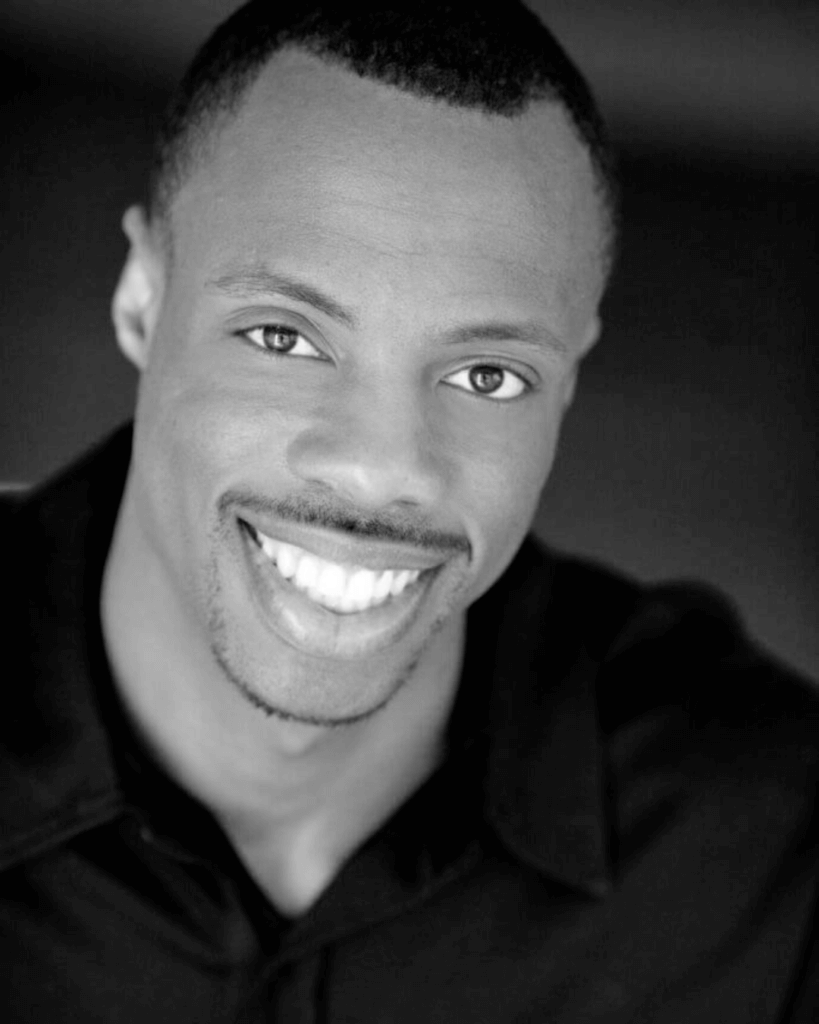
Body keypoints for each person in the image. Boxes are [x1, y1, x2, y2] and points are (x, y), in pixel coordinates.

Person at [1, 1, 817, 1020]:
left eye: (486, 375)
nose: (380, 468)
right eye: (284, 337)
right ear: (141, 300)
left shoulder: (765, 853)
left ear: (567, 383)